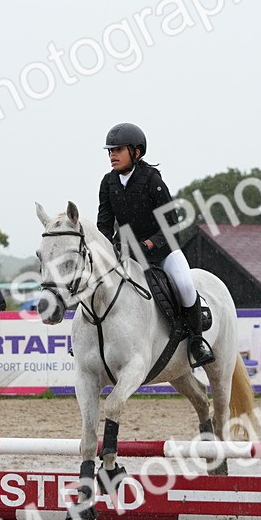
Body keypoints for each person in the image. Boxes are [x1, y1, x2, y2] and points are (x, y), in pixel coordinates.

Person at [96, 122, 214, 367]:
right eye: (110, 151)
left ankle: (196, 341)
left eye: (118, 150)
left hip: (162, 250)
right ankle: (92, 341)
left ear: (136, 152)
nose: (112, 155)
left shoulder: (152, 181)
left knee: (184, 284)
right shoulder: (108, 183)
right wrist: (107, 250)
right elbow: (104, 224)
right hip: (126, 252)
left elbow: (171, 223)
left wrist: (148, 244)